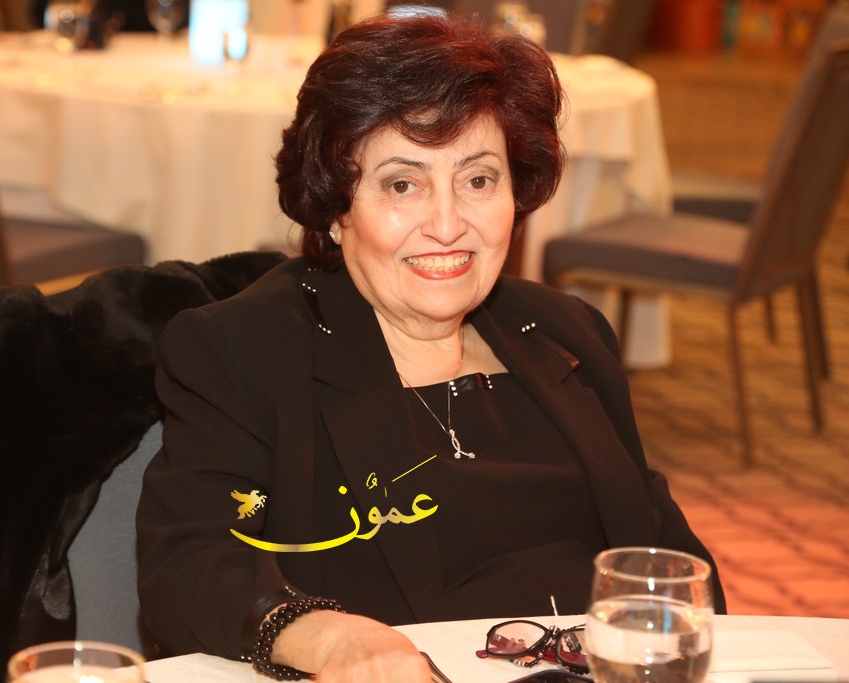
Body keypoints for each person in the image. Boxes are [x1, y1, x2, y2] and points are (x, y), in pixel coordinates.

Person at [136, 13, 726, 682]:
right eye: (402, 184)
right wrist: (327, 639)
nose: (448, 225)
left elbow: (673, 571)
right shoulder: (245, 350)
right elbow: (188, 566)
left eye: (478, 180)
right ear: (336, 208)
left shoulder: (568, 333)